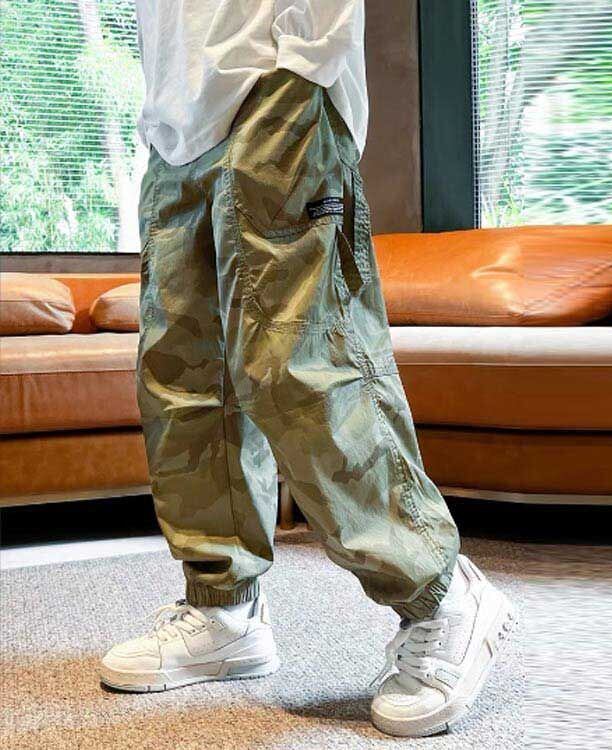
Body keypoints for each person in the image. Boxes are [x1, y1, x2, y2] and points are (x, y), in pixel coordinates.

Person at [99, 1, 515, 738]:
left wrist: (306, 60)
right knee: (184, 381)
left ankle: (442, 594)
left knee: (299, 365)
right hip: (175, 110)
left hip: (277, 77)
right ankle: (224, 610)